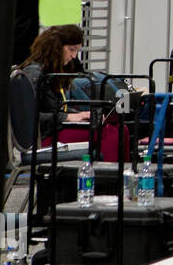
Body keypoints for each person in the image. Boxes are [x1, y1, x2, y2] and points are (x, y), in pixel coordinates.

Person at [19, 25, 130, 162]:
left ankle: (125, 176)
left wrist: (80, 115)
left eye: (76, 51)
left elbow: (56, 107)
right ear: (55, 47)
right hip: (43, 136)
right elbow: (27, 118)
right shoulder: (34, 74)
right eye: (71, 50)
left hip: (56, 127)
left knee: (121, 128)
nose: (74, 56)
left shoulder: (54, 72)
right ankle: (107, 179)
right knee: (109, 132)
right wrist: (68, 117)